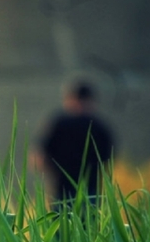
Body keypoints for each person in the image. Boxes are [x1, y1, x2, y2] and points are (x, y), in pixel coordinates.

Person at [36, 80, 116, 208]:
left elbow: (40, 158)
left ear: (69, 99)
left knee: (60, 225)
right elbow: (109, 161)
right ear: (91, 101)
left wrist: (51, 175)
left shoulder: (58, 123)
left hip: (61, 190)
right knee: (89, 226)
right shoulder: (100, 127)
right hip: (91, 191)